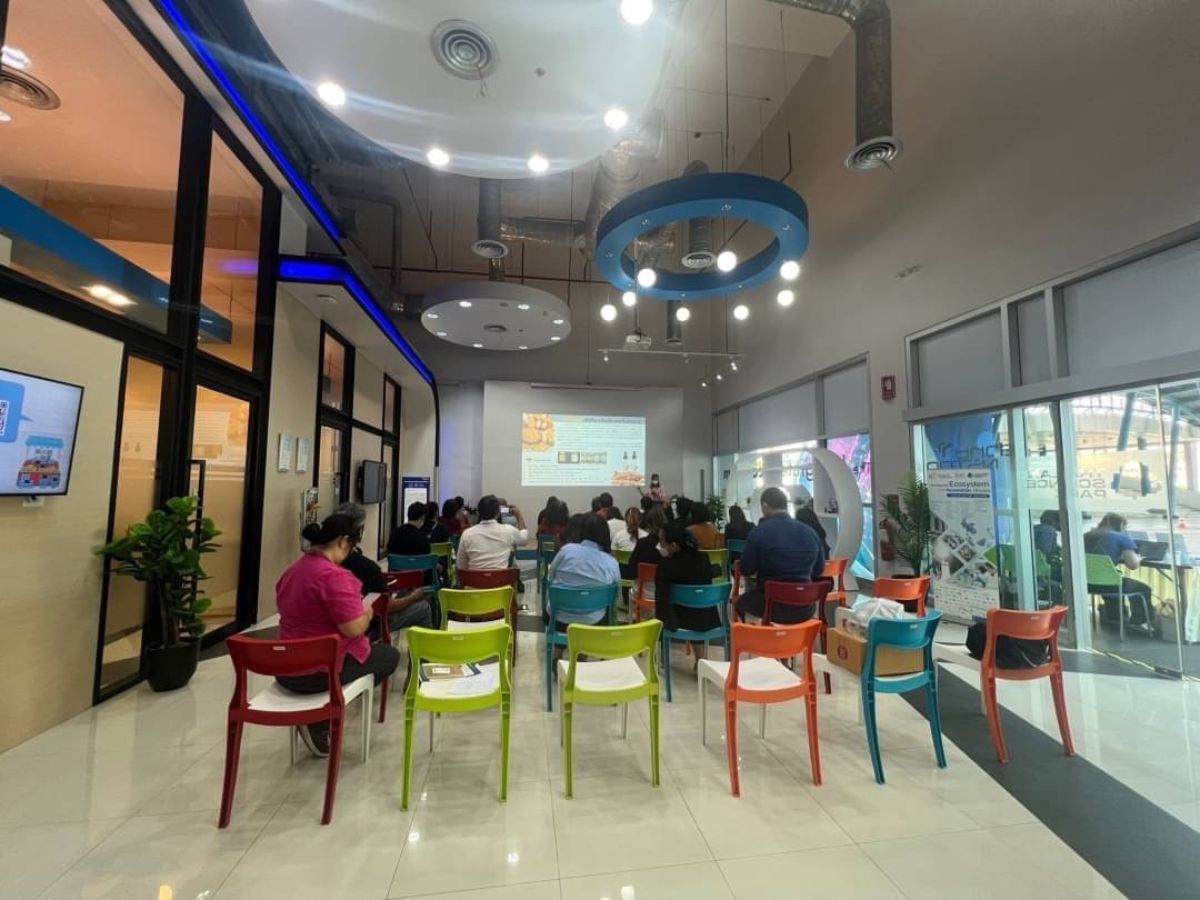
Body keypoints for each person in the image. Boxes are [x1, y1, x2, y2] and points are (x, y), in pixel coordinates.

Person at [275, 514, 400, 756]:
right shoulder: (335, 577)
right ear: (343, 542)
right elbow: (353, 628)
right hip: (319, 670)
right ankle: (321, 717)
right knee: (389, 657)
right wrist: (367, 612)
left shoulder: (292, 571)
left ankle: (321, 711)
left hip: (285, 668)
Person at [334, 501, 433, 634]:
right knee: (423, 608)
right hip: (368, 625)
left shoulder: (322, 563)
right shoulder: (367, 568)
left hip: (332, 627)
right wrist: (413, 598)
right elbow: (386, 606)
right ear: (360, 531)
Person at [737, 487, 825, 624]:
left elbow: (746, 569)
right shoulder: (810, 532)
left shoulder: (758, 532)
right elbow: (819, 571)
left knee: (742, 603)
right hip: (805, 606)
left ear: (765, 505)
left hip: (771, 604)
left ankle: (757, 634)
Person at [655, 521, 718, 660]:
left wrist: (668, 624)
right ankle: (700, 659)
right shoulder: (703, 559)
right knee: (697, 604)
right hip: (706, 618)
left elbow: (661, 602)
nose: (660, 546)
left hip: (678, 620)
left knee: (665, 608)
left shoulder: (665, 566)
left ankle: (661, 657)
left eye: (662, 542)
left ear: (673, 545)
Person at [546, 513, 620, 628]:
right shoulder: (611, 563)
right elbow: (615, 596)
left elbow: (550, 578)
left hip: (557, 619)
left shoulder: (566, 551)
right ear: (606, 535)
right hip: (594, 622)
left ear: (582, 531)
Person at [1085, 512, 1154, 628]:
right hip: (1111, 585)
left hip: (1087, 584)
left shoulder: (1086, 536)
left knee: (1111, 579)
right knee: (1143, 588)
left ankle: (1114, 618)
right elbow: (1133, 565)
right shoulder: (1122, 538)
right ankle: (1139, 623)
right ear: (1121, 525)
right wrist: (1138, 558)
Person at [457, 494, 528, 571]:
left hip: (474, 578)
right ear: (498, 513)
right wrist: (518, 514)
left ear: (479, 512)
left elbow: (461, 566)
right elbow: (524, 539)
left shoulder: (467, 534)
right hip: (502, 578)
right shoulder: (509, 530)